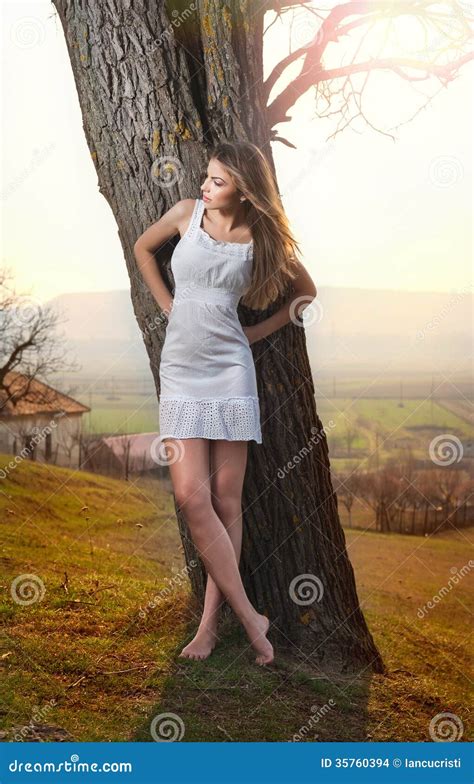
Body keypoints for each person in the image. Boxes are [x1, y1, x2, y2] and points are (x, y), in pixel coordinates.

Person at [134, 140, 317, 666]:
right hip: (182, 372)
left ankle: (210, 626)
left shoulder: (262, 238)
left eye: (216, 180)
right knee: (193, 497)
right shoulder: (186, 216)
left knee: (228, 501)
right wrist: (170, 305)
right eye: (206, 176)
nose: (204, 185)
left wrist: (256, 332)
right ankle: (253, 620)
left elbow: (306, 292)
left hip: (232, 371)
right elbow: (144, 249)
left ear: (244, 187)